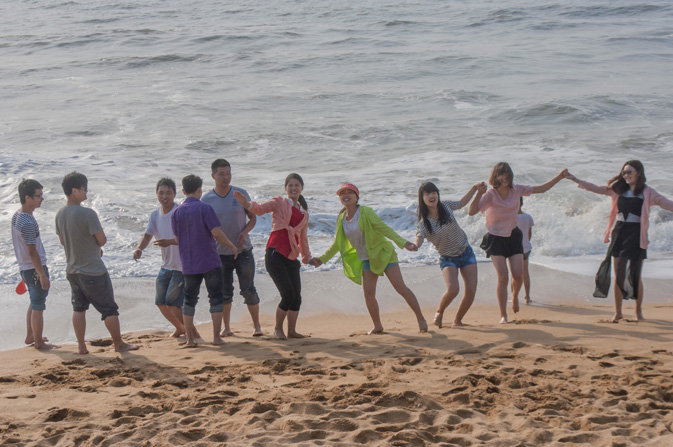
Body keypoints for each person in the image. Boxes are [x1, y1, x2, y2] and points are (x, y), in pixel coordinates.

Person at [310, 183, 428, 334]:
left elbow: (384, 228)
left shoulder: (366, 212)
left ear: (356, 197)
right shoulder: (341, 219)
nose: (346, 195)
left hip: (384, 254)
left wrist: (404, 243)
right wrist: (322, 259)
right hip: (367, 259)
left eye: (349, 192)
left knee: (400, 288)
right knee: (368, 294)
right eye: (342, 193)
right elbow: (337, 244)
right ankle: (378, 325)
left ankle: (420, 318)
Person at [565, 161, 673, 322]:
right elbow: (596, 188)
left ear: (638, 173)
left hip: (637, 234)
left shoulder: (647, 192)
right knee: (619, 273)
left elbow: (666, 203)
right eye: (624, 172)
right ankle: (618, 312)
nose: (626, 175)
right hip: (620, 232)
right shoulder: (618, 189)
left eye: (629, 172)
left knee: (636, 274)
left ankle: (638, 312)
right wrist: (574, 178)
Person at [468, 163, 567, 324]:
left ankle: (514, 296)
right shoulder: (491, 194)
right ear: (495, 176)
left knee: (518, 275)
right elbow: (471, 211)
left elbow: (541, 189)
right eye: (501, 174)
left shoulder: (517, 189)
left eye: (507, 173)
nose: (504, 176)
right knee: (503, 276)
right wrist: (479, 193)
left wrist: (560, 176)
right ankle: (503, 315)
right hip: (495, 238)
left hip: (513, 236)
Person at [55, 172, 139, 354]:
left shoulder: (60, 213)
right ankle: (119, 344)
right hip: (92, 270)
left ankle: (81, 346)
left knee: (78, 308)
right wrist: (94, 246)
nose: (87, 192)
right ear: (74, 190)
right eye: (85, 189)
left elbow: (63, 241)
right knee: (109, 309)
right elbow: (101, 240)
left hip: (72, 270)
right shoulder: (88, 213)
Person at [233, 173, 311, 340]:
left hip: (291, 256)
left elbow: (303, 239)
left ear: (302, 188)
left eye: (297, 185)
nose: (293, 188)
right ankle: (278, 329)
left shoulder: (304, 214)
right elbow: (260, 209)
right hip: (275, 254)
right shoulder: (279, 202)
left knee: (296, 297)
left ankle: (292, 331)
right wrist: (246, 204)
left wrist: (308, 258)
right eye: (290, 185)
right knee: (288, 295)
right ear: (286, 188)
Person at [171, 174, 239, 346]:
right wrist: (231, 245)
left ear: (183, 191)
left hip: (189, 262)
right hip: (209, 260)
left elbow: (177, 240)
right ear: (200, 190)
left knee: (189, 299)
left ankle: (190, 339)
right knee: (215, 297)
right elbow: (216, 232)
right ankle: (216, 338)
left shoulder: (177, 212)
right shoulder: (205, 208)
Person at [202, 159, 262, 337]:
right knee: (225, 293)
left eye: (228, 173)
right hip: (220, 253)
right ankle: (226, 328)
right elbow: (206, 228)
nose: (226, 177)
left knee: (248, 289)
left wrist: (245, 232)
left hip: (243, 250)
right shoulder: (207, 200)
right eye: (221, 174)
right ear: (213, 175)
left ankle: (257, 326)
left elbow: (252, 218)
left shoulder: (240, 194)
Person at [415, 181, 483, 328]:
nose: (432, 196)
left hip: (466, 251)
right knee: (453, 289)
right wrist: (414, 245)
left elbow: (461, 203)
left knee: (471, 290)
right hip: (447, 258)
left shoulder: (446, 206)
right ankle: (439, 312)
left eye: (434, 192)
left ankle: (458, 321)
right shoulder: (424, 223)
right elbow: (419, 237)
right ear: (422, 198)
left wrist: (475, 189)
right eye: (427, 194)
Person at [133, 178, 191, 338]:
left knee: (173, 303)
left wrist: (170, 242)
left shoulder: (180, 212)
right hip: (166, 265)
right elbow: (147, 236)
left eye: (168, 193)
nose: (164, 196)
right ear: (156, 194)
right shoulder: (155, 214)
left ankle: (192, 331)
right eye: (161, 193)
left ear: (174, 194)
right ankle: (180, 328)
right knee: (160, 302)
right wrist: (139, 248)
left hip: (181, 266)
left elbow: (188, 237)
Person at [11, 179, 56, 350]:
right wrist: (42, 275)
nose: (42, 199)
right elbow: (32, 251)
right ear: (27, 197)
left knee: (34, 301)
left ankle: (31, 335)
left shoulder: (18, 215)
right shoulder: (28, 222)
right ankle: (38, 341)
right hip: (34, 269)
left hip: (25, 268)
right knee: (38, 306)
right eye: (39, 196)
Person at [512, 197, 534, 305]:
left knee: (514, 274)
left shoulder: (511, 218)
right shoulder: (528, 217)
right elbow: (529, 235)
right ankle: (527, 296)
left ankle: (513, 296)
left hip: (514, 249)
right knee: (525, 272)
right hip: (526, 248)